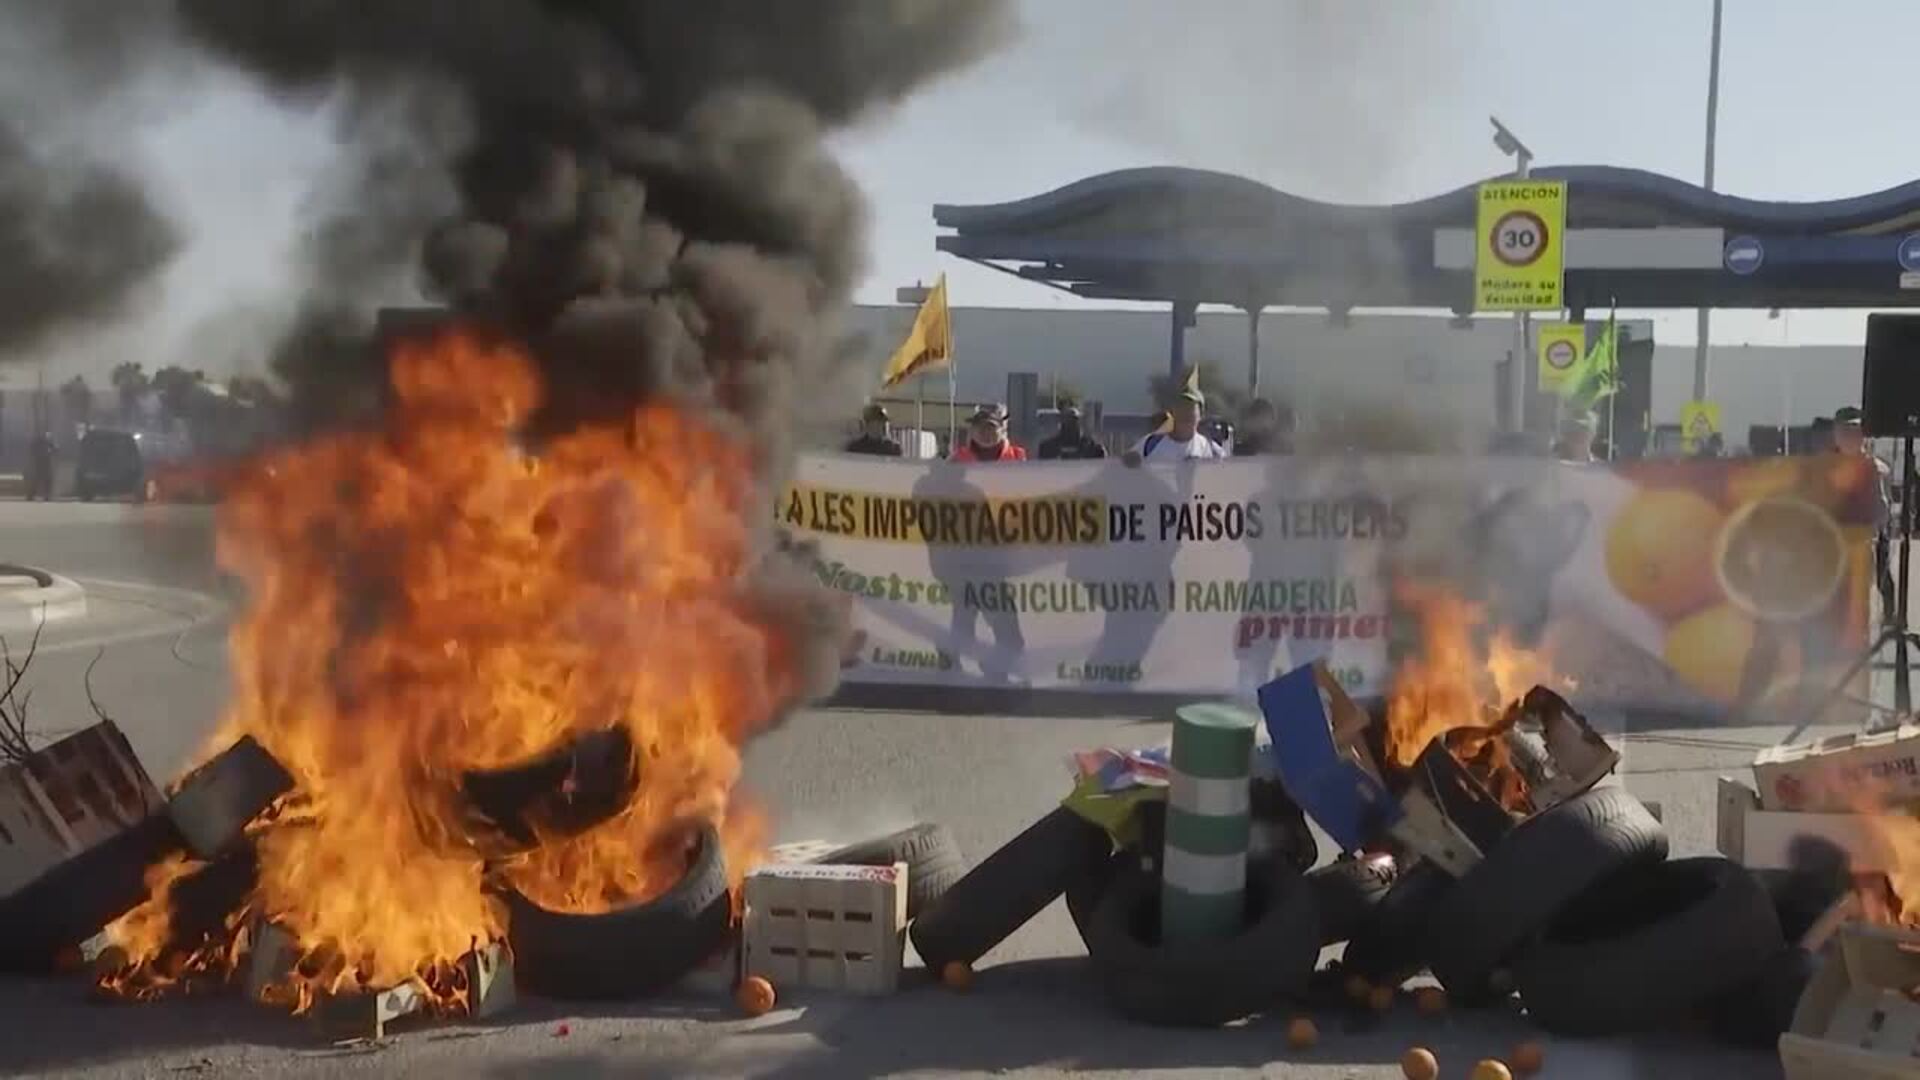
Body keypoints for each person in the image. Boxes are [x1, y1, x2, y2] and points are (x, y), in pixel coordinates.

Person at [1835, 406, 1897, 622]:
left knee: (1878, 576)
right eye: (1843, 432)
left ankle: (1889, 614)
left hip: (1870, 536)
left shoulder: (1875, 468)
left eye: (1853, 432)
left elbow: (1882, 507)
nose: (1848, 437)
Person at [1122, 386, 1226, 465]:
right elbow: (1121, 467)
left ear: (1201, 415)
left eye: (1190, 408)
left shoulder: (1213, 452)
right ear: (1172, 412)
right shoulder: (1149, 444)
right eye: (1181, 407)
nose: (1185, 413)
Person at [949, 403, 1027, 462]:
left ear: (1003, 430)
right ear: (971, 430)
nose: (985, 432)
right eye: (980, 427)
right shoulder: (958, 458)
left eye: (991, 428)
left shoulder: (1017, 457)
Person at [1036, 404, 1105, 460]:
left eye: (1074, 421)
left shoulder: (1093, 448)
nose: (1070, 424)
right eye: (1067, 420)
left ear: (1080, 422)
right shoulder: (1047, 448)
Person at [25, 431, 55, 501]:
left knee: (41, 479)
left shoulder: (46, 442)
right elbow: (53, 449)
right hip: (41, 463)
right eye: (48, 435)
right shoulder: (42, 442)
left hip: (42, 463)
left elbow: (54, 448)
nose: (49, 436)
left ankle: (36, 495)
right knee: (42, 479)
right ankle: (34, 495)